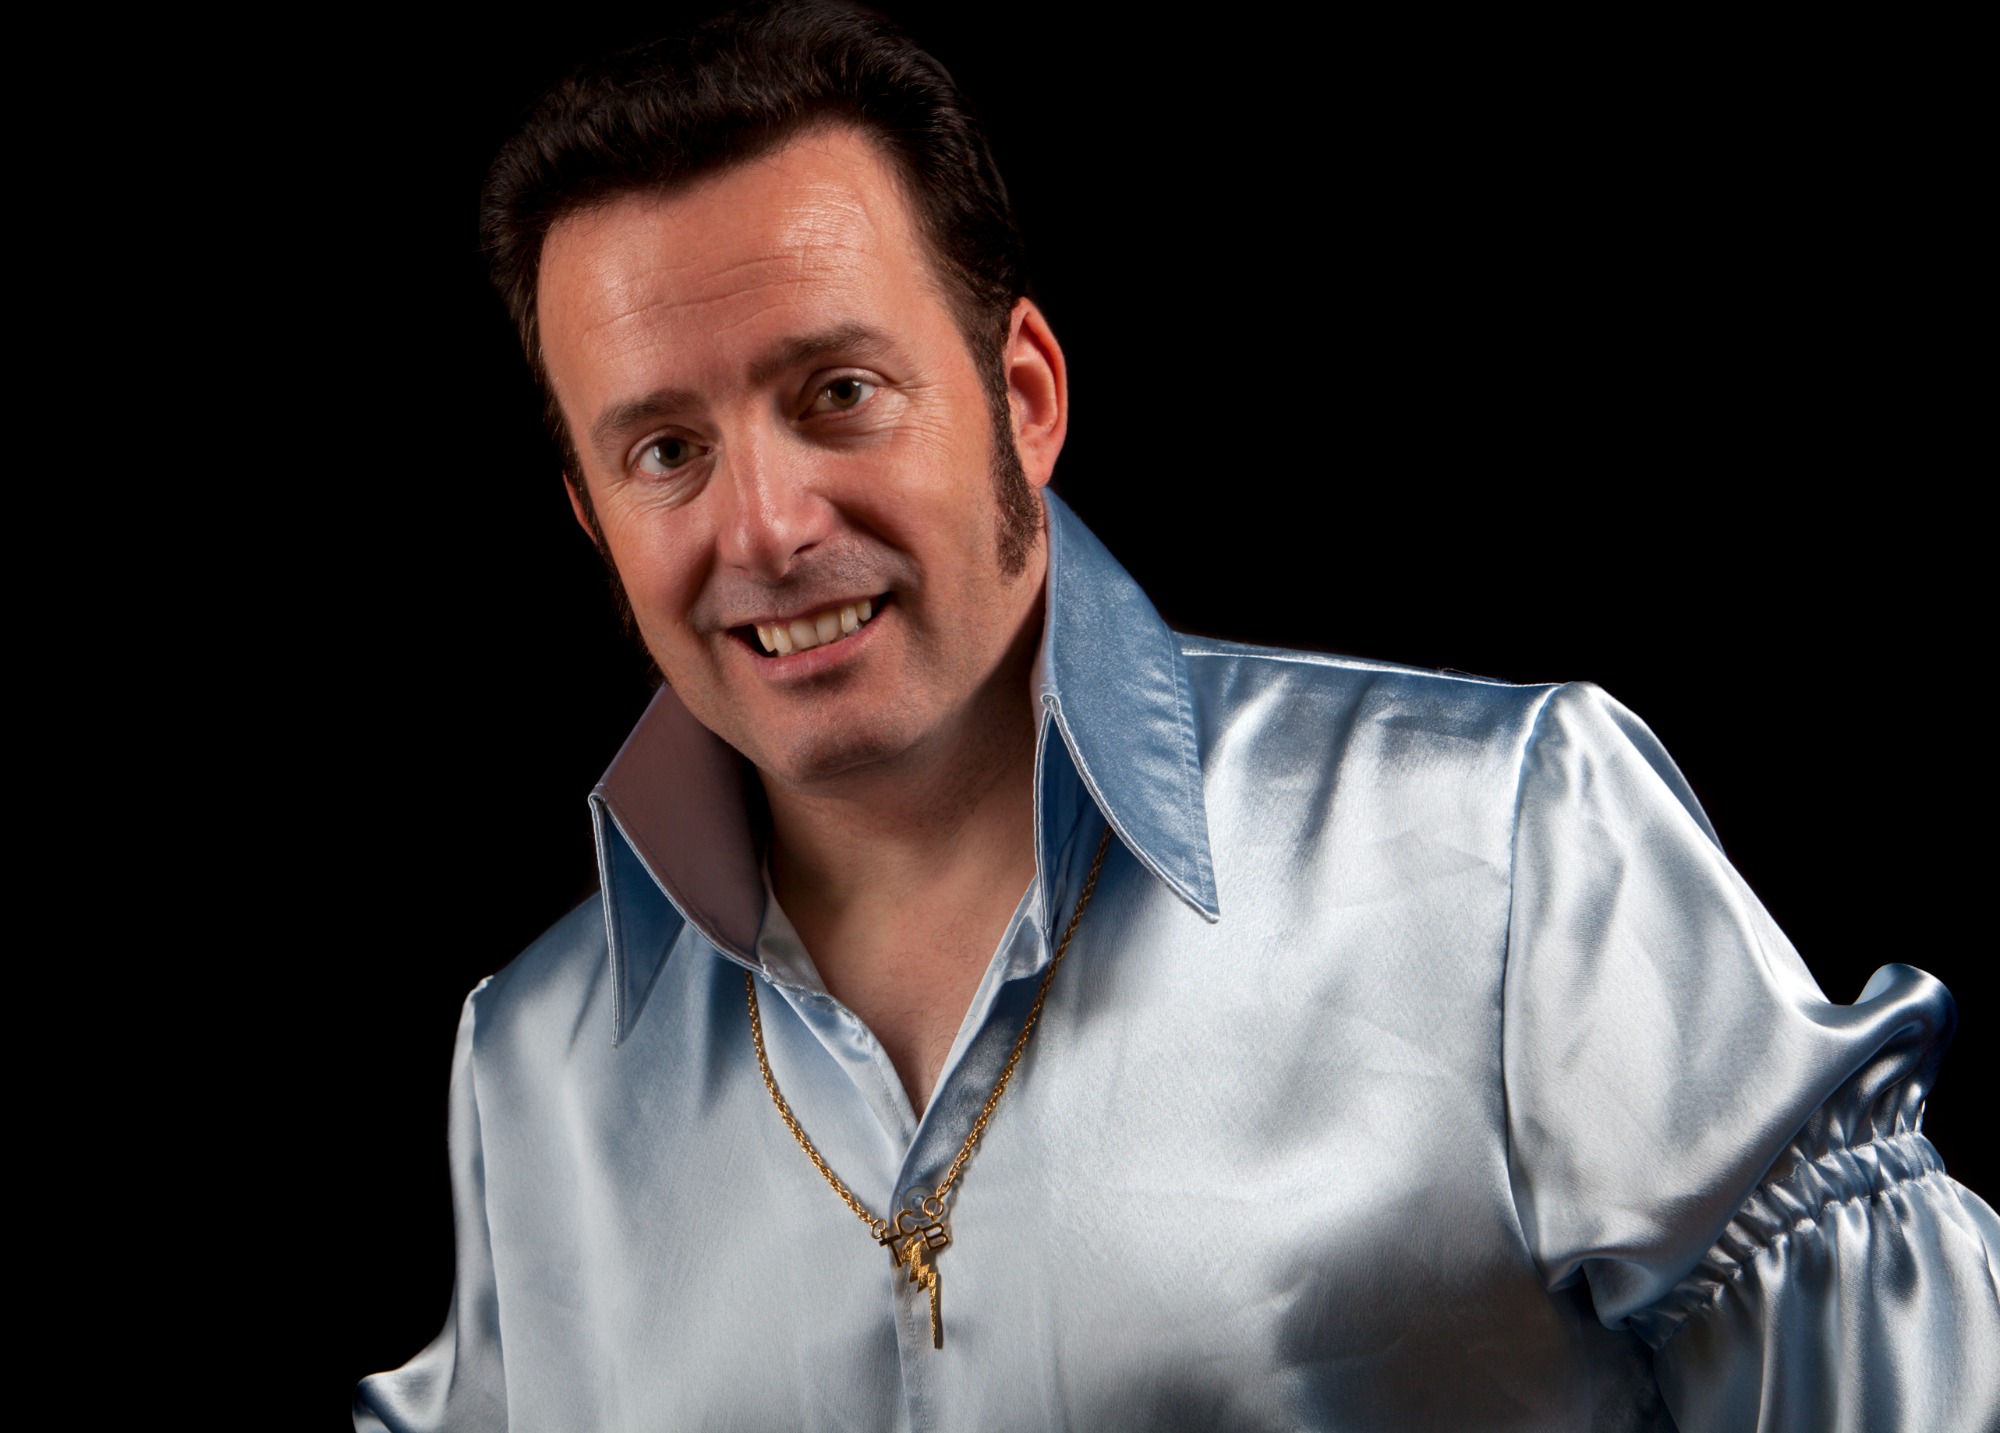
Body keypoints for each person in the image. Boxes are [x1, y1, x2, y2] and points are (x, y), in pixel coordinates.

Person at [356, 4, 2000, 1429]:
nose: (766, 525)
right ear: (592, 518)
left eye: (837, 394)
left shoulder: (1505, 846)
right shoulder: (529, 1066)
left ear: (1023, 398)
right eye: (665, 451)